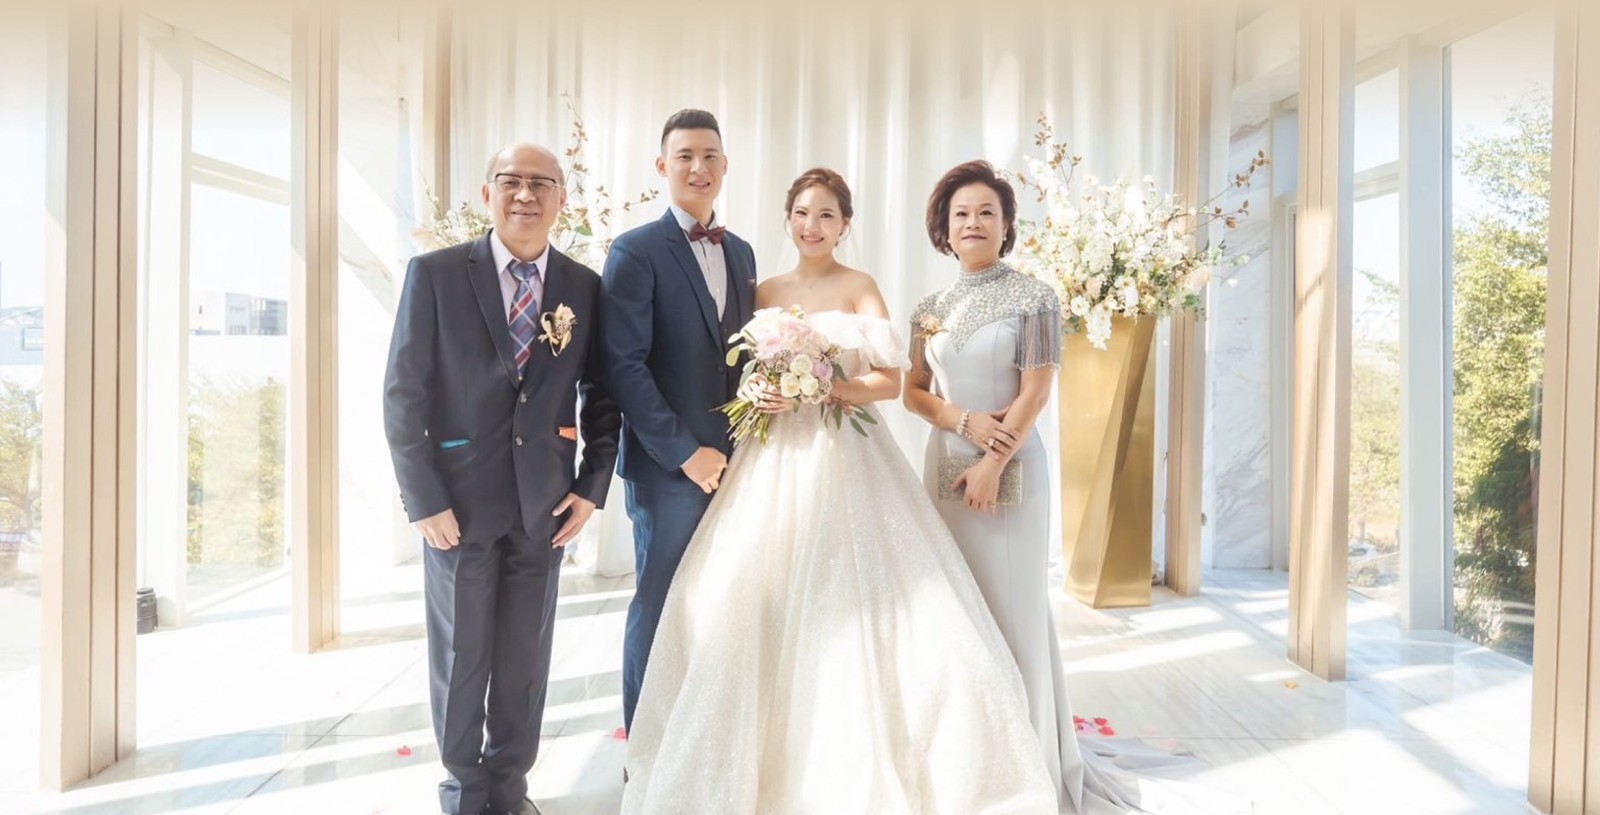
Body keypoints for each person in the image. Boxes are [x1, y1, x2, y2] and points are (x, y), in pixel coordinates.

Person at [621, 168, 1057, 813]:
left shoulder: (861, 287)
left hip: (848, 450)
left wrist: (826, 387)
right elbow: (739, 371)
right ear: (788, 220)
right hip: (773, 458)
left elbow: (891, 381)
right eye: (802, 213)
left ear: (845, 224)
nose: (813, 226)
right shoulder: (763, 289)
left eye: (827, 215)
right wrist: (761, 389)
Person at [905, 160, 1246, 814]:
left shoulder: (1035, 296)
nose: (973, 223)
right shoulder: (929, 309)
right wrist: (963, 422)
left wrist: (992, 462)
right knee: (957, 618)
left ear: (1006, 225)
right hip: (943, 470)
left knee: (1014, 614)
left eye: (985, 212)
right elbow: (914, 392)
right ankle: (967, 763)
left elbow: (1036, 392)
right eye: (960, 214)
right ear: (943, 229)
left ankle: (1027, 766)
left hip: (1009, 471)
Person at [383, 143, 620, 815]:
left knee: (524, 659)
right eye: (510, 181)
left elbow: (603, 395)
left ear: (561, 199)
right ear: (486, 193)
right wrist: (423, 498)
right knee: (462, 656)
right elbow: (403, 393)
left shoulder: (583, 286)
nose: (525, 194)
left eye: (541, 183)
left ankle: (511, 789)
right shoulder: (435, 275)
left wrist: (591, 486)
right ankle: (463, 791)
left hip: (544, 505)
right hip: (456, 505)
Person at [600, 109, 759, 736]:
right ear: (662, 166)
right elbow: (622, 365)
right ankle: (645, 748)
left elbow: (741, 359)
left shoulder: (741, 252)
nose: (699, 167)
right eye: (685, 156)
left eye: (710, 156)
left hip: (738, 463)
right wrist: (686, 452)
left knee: (721, 602)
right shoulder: (636, 250)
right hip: (669, 468)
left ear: (725, 166)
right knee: (661, 602)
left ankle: (703, 740)